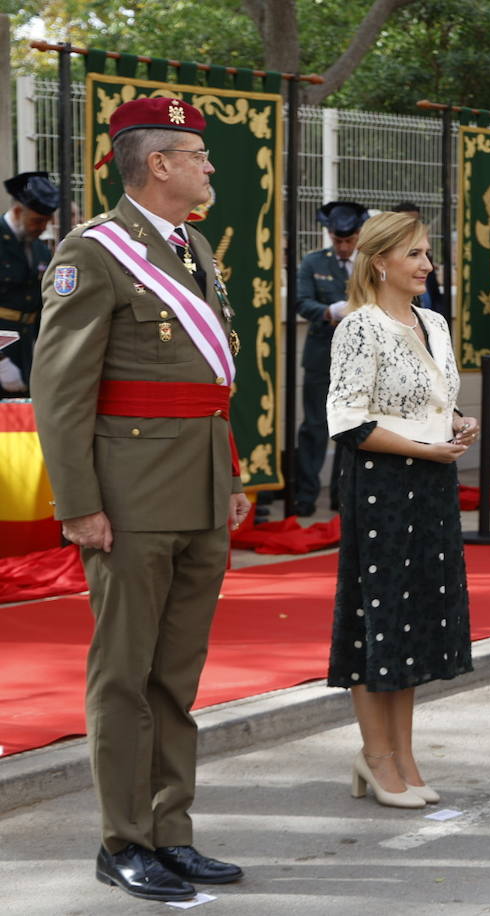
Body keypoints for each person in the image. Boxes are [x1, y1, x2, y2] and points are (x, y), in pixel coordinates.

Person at [31, 96, 248, 902]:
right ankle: (123, 838)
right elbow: (61, 391)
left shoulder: (193, 247)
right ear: (157, 164)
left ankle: (171, 829)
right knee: (124, 675)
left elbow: (211, 385)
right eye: (195, 153)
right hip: (126, 497)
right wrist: (79, 504)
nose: (207, 165)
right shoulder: (94, 254)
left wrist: (227, 480)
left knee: (176, 677)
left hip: (196, 486)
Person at [325, 211, 476, 809]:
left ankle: (405, 756)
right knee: (378, 619)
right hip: (382, 486)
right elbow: (350, 422)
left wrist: (456, 425)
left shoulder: (433, 322)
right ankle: (376, 756)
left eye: (427, 254)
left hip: (432, 482)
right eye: (413, 254)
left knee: (414, 622)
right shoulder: (359, 328)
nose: (425, 265)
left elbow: (436, 400)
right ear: (379, 260)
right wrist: (424, 447)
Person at [295, 200, 370, 517]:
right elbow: (300, 301)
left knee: (351, 428)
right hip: (322, 354)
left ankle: (344, 494)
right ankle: (306, 494)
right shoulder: (314, 262)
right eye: (337, 240)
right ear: (329, 235)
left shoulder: (367, 264)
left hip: (358, 358)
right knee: (314, 427)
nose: (342, 247)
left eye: (349, 241)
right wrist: (329, 312)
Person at [0, 171, 58, 392]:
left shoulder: (39, 250)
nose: (42, 227)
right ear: (17, 211)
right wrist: (1, 362)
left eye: (46, 221)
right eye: (37, 221)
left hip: (25, 350)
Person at [392, 201, 444, 316]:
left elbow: (434, 293)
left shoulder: (435, 322)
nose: (428, 267)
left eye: (416, 221)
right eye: (413, 254)